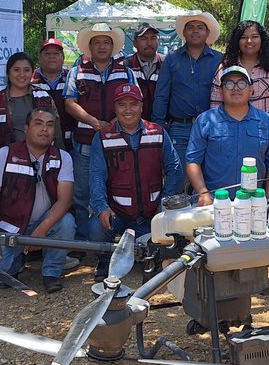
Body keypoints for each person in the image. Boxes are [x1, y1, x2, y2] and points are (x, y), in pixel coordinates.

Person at [85, 83, 183, 279]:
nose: (128, 110)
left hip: (151, 212)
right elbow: (96, 176)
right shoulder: (102, 137)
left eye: (133, 104)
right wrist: (101, 207)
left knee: (167, 237)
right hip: (118, 213)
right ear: (115, 108)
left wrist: (164, 204)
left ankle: (151, 255)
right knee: (95, 229)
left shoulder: (158, 132)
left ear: (141, 106)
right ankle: (105, 261)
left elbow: (175, 169)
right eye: (122, 105)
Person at [0, 106, 76, 293]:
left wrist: (40, 231)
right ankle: (16, 265)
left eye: (49, 125)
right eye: (38, 124)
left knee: (67, 222)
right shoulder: (5, 154)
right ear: (26, 128)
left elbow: (64, 201)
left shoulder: (63, 157)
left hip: (45, 223)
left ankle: (51, 273)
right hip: (11, 225)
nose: (44, 130)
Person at [64, 23, 137, 227]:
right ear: (90, 46)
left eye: (106, 42)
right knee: (81, 194)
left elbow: (135, 104)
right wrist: (94, 123)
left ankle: (112, 237)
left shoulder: (126, 73)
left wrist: (113, 124)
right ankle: (80, 242)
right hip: (84, 146)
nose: (102, 46)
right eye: (97, 42)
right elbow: (70, 104)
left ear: (113, 46)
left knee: (117, 191)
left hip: (118, 144)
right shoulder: (77, 72)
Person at [186, 65, 269, 205]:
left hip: (253, 203)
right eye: (229, 84)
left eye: (242, 83)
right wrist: (203, 193)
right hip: (214, 202)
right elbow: (193, 161)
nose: (236, 88)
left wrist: (267, 200)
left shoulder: (265, 121)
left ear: (251, 90)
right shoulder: (205, 120)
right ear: (221, 91)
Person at [151, 11, 223, 184]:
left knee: (210, 177)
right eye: (190, 27)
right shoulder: (172, 59)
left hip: (212, 127)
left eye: (200, 28)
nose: (195, 31)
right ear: (183, 33)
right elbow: (161, 95)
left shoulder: (219, 59)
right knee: (178, 178)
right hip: (179, 128)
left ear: (207, 33)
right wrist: (159, 128)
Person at [209, 20, 269, 155]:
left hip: (266, 130)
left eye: (254, 37)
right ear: (237, 40)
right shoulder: (226, 66)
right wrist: (216, 129)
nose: (249, 41)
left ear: (262, 40)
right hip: (231, 130)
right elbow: (216, 101)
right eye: (243, 37)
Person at [0, 52, 60, 170]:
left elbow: (56, 132)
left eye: (27, 70)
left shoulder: (44, 97)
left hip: (41, 164)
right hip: (5, 166)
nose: (22, 74)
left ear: (32, 73)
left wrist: (59, 160)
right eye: (16, 70)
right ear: (8, 72)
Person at [33, 38, 73, 148]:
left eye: (56, 53)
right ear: (40, 58)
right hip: (38, 142)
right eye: (47, 54)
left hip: (70, 141)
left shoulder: (73, 79)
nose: (52, 57)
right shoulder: (31, 79)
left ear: (63, 58)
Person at [125, 22, 163, 121]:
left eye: (153, 38)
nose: (149, 43)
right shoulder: (126, 65)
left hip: (161, 125)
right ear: (134, 43)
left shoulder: (166, 64)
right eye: (144, 38)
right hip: (133, 125)